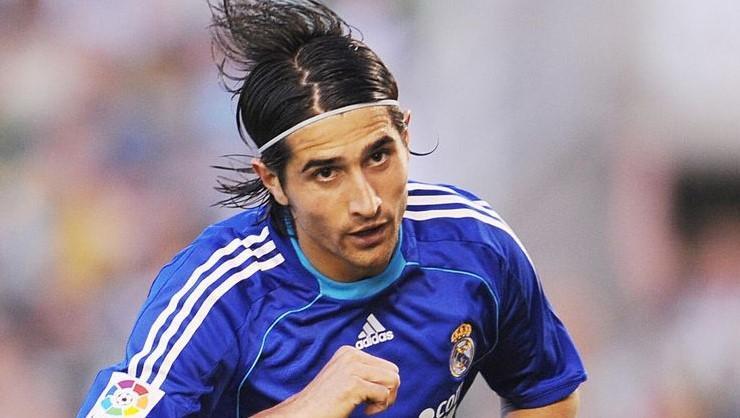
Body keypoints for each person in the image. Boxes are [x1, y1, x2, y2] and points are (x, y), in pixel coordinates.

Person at [77, 1, 587, 417]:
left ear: (405, 135)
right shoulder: (218, 294)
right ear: (274, 181)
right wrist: (306, 410)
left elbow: (543, 391)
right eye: (326, 173)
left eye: (379, 156)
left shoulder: (474, 245)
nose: (367, 202)